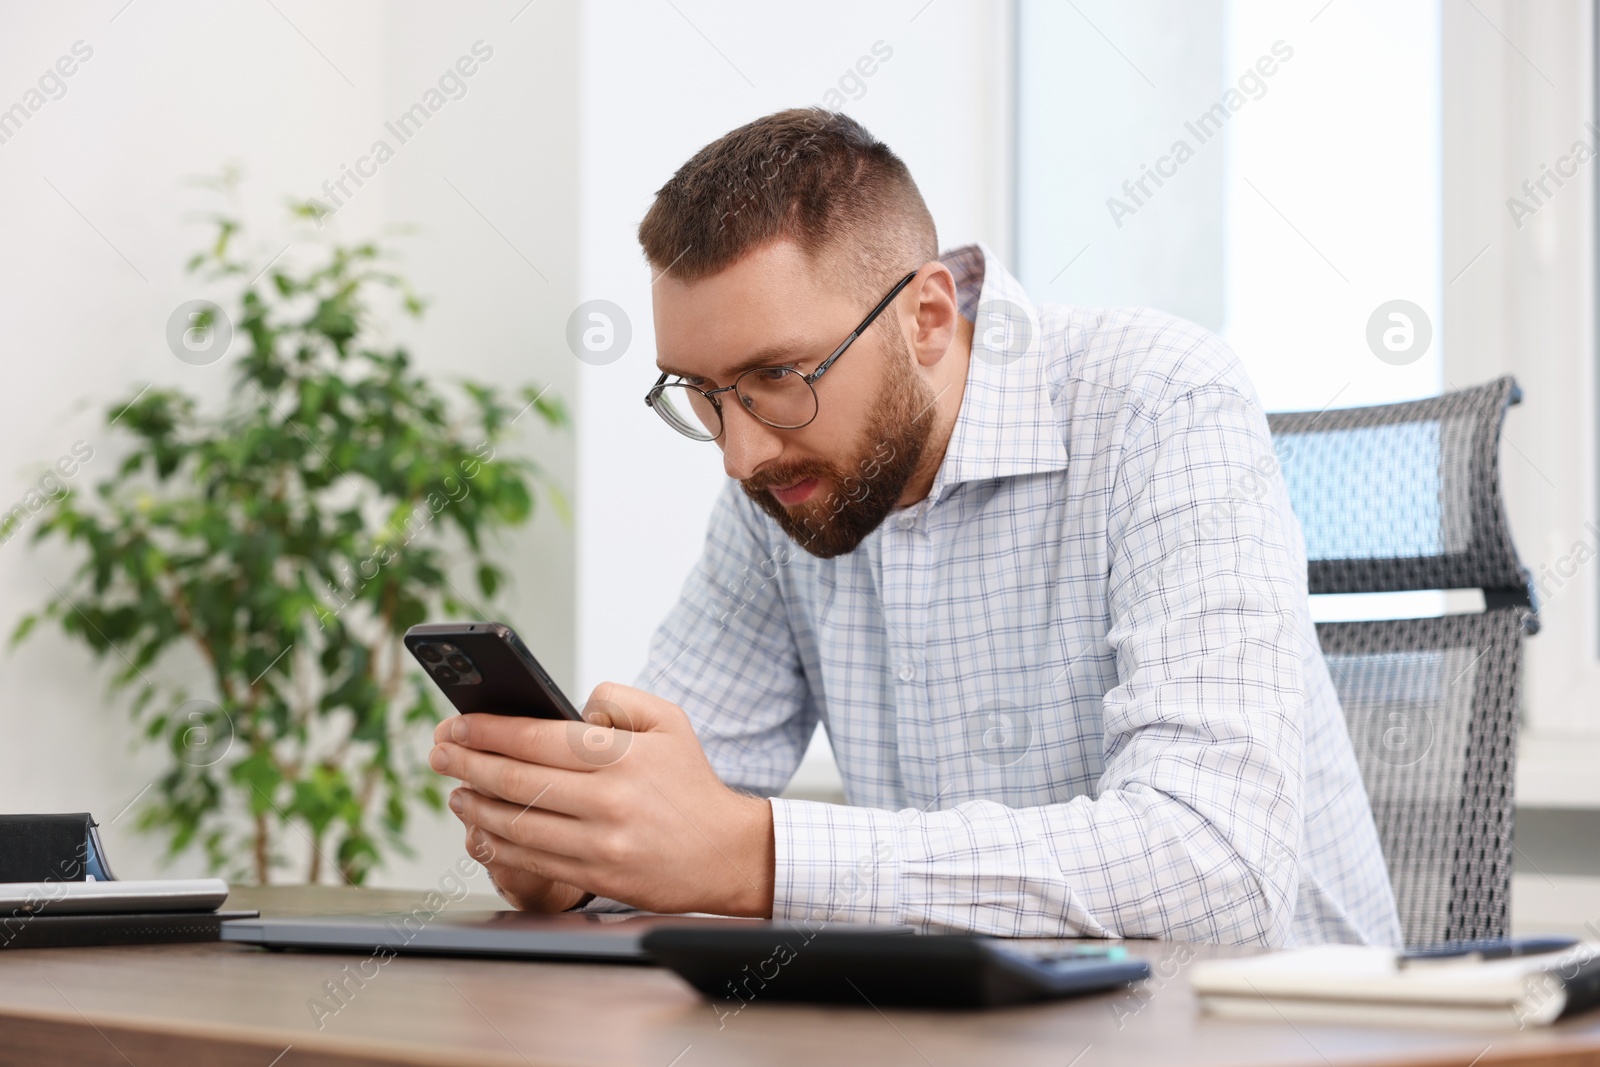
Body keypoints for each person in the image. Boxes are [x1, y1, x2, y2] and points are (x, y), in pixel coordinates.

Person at [429, 108, 1403, 947]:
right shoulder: (784, 482)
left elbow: (1215, 863)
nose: (739, 456)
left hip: (1271, 1028)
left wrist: (754, 853)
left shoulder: (1160, 398)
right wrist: (576, 844)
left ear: (927, 316)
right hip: (962, 1028)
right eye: (702, 395)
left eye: (779, 377)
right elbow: (675, 813)